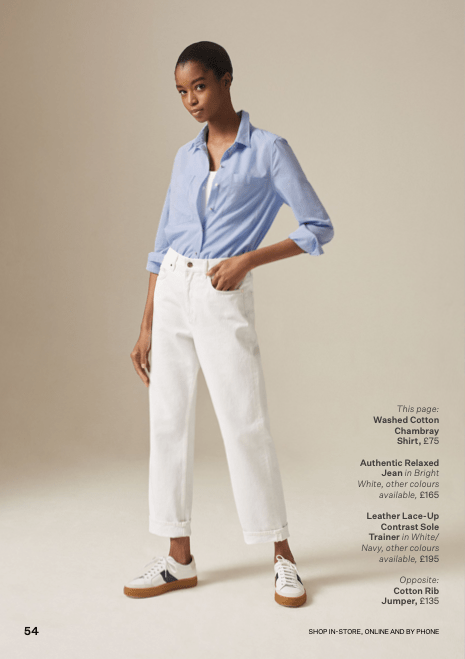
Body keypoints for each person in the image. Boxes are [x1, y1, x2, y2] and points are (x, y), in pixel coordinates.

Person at [126, 41, 334, 608]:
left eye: (199, 86)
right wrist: (146, 324)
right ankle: (178, 558)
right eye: (181, 92)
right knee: (167, 422)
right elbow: (162, 244)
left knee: (246, 423)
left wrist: (248, 260)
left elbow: (318, 226)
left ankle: (283, 558)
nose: (191, 100)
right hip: (173, 288)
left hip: (221, 291)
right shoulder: (184, 157)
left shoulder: (268, 150)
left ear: (225, 80)